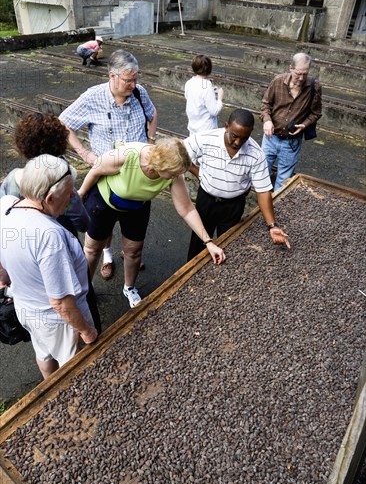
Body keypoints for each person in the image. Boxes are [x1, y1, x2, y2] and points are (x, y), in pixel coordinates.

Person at [78, 137, 226, 308]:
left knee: (133, 251)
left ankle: (129, 288)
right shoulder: (128, 156)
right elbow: (96, 169)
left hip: (137, 204)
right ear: (159, 164)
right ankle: (85, 291)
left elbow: (186, 208)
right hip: (104, 199)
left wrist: (208, 242)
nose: (176, 176)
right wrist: (81, 195)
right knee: (92, 249)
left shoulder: (174, 173)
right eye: (172, 173)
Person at [59, 49, 157, 279]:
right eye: (128, 80)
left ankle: (128, 256)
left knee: (133, 234)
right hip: (103, 177)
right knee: (97, 235)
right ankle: (107, 256)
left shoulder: (140, 93)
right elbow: (63, 123)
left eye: (135, 78)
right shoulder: (93, 97)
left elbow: (153, 114)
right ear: (111, 76)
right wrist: (84, 153)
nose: (133, 85)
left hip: (136, 178)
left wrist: (151, 141)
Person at [0, 113, 101, 334]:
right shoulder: (61, 183)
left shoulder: (11, 179)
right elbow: (83, 223)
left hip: (23, 253)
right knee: (76, 300)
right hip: (59, 251)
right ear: (58, 144)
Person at [0, 155, 98, 379]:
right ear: (50, 197)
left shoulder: (6, 206)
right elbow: (61, 302)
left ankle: (48, 386)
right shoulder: (48, 235)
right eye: (69, 193)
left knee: (43, 353)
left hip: (26, 308)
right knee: (78, 370)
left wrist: (4, 278)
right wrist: (86, 331)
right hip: (58, 322)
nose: (73, 196)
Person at [183, 108, 291, 261]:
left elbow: (263, 191)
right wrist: (198, 172)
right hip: (206, 200)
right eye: (234, 136)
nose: (238, 142)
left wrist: (272, 226)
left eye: (244, 138)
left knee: (228, 247)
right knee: (198, 245)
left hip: (233, 206)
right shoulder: (205, 138)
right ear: (226, 126)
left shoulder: (256, 154)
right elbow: (180, 152)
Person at [260, 52, 322, 191]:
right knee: (261, 174)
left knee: (283, 182)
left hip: (292, 142)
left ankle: (276, 210)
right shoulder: (278, 81)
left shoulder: (314, 87)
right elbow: (265, 105)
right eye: (298, 73)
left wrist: (305, 124)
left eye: (305, 74)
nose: (301, 78)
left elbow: (316, 113)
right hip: (271, 138)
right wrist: (267, 120)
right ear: (291, 68)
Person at [185, 54, 224, 135]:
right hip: (206, 130)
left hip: (192, 127)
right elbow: (214, 111)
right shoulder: (207, 86)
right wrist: (220, 98)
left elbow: (189, 96)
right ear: (209, 69)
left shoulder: (189, 82)